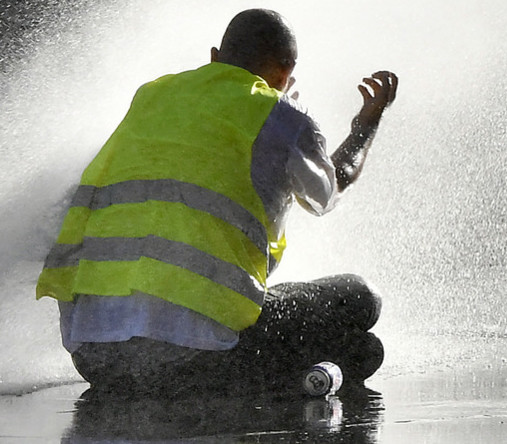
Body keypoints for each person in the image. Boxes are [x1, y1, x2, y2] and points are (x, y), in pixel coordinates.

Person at [35, 9, 398, 395]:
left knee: (358, 348)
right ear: (284, 74)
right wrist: (366, 125)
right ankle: (274, 384)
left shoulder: (151, 98)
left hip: (95, 357)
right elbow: (328, 193)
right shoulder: (281, 116)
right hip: (191, 358)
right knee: (361, 304)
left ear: (214, 57)